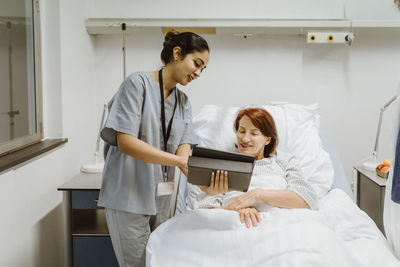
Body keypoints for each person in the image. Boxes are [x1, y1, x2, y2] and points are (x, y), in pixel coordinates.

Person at [98, 31, 209, 267]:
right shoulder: (137, 84)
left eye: (203, 69)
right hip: (128, 196)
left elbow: (184, 149)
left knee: (159, 262)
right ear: (177, 53)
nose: (198, 73)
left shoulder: (184, 102)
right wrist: (179, 162)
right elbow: (126, 142)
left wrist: (207, 184)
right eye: (196, 64)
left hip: (161, 199)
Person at [187, 107, 318, 228]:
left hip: (277, 225)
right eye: (241, 131)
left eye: (254, 133)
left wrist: (257, 195)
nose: (245, 138)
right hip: (231, 225)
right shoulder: (222, 163)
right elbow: (203, 214)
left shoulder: (284, 160)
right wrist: (233, 210)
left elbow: (306, 199)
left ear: (268, 140)